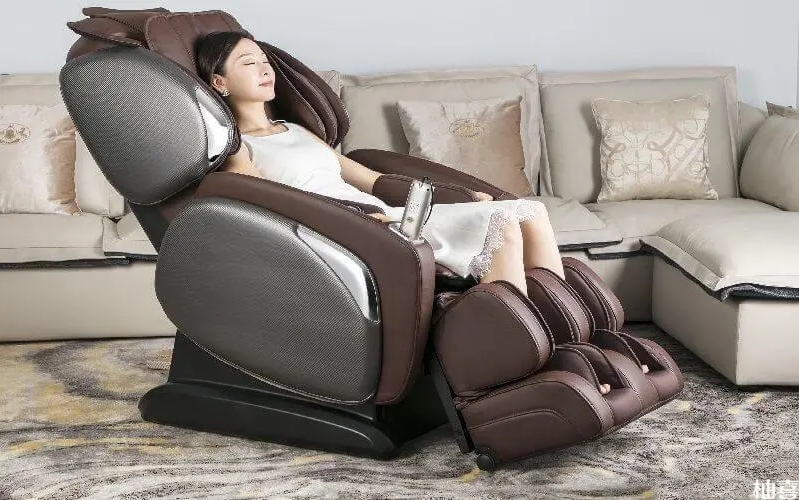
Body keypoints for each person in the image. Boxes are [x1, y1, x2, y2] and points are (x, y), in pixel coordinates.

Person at [192, 33, 623, 385]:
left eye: (265, 60)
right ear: (219, 83)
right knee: (505, 228)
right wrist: (354, 218)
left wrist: (457, 195)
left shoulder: (297, 131)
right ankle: (522, 359)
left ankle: (569, 343)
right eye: (248, 63)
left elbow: (370, 180)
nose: (265, 69)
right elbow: (269, 204)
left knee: (529, 211)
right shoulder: (238, 149)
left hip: (383, 214)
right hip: (350, 231)